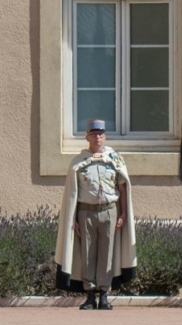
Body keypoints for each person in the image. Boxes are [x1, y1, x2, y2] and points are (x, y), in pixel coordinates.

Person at [54, 119, 137, 309]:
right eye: (93, 134)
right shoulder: (78, 162)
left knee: (107, 252)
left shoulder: (115, 159)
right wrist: (73, 218)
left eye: (100, 134)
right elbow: (72, 193)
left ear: (105, 136)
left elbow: (122, 188)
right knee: (88, 253)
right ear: (87, 137)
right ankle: (90, 294)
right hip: (86, 212)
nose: (97, 137)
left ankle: (104, 294)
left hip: (109, 211)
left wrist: (123, 213)